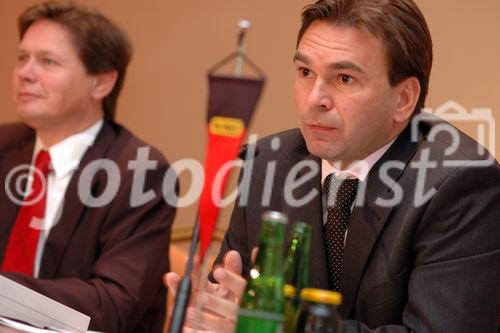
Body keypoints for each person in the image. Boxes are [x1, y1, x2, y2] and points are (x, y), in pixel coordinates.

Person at [166, 0, 500, 332]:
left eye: (344, 78)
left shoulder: (461, 181)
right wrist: (210, 313)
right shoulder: (267, 164)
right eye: (305, 72)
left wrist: (279, 326)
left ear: (404, 99)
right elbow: (230, 304)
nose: (314, 99)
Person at [0, 2, 176, 332]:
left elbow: (112, 304)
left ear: (102, 83)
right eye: (23, 57)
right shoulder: (4, 143)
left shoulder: (140, 172)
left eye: (47, 61)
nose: (24, 72)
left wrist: (4, 293)